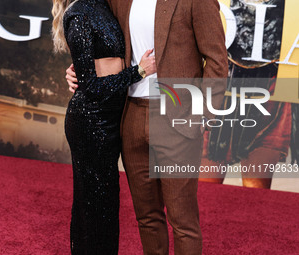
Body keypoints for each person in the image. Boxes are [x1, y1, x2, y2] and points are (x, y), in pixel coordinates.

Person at [66, 0, 228, 254]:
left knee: (183, 222)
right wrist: (79, 70)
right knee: (147, 218)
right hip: (131, 115)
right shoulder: (118, 1)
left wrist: (201, 117)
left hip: (177, 118)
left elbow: (217, 61)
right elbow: (99, 41)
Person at [51, 0, 156, 254]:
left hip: (112, 119)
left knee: (106, 204)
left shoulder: (105, 5)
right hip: (90, 121)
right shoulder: (77, 13)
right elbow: (92, 88)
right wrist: (139, 72)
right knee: (93, 205)